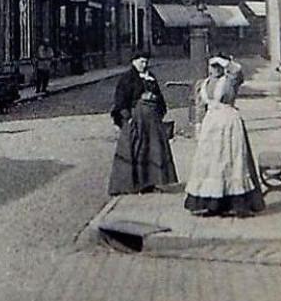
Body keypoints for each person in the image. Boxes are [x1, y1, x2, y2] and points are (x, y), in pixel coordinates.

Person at [184, 56, 265, 217]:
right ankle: (213, 204)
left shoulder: (229, 81)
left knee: (231, 162)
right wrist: (198, 127)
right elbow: (199, 107)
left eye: (217, 66)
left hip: (229, 123)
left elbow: (238, 72)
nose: (214, 70)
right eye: (211, 66)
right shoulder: (203, 84)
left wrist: (224, 61)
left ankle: (236, 203)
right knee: (210, 163)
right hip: (210, 125)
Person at [108, 52, 178, 195]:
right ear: (133, 62)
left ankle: (151, 182)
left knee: (153, 150)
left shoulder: (150, 77)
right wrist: (127, 118)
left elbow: (160, 97)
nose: (144, 65)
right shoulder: (127, 79)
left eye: (145, 62)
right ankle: (137, 184)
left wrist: (157, 105)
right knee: (138, 151)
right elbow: (121, 102)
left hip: (152, 121)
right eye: (141, 62)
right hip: (137, 120)